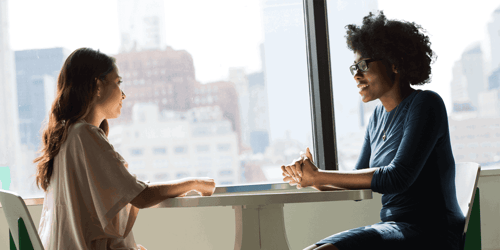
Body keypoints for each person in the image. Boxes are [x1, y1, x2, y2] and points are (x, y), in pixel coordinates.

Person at [281, 11, 464, 250]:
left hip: (433, 232)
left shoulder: (426, 104)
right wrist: (311, 179)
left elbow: (397, 178)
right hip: (394, 227)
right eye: (354, 67)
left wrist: (320, 176)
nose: (356, 75)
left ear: (395, 64)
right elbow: (359, 183)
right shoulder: (376, 118)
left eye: (364, 65)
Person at [34, 47, 216, 250]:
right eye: (118, 83)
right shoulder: (84, 135)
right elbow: (141, 196)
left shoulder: (67, 136)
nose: (124, 94)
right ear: (98, 86)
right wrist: (194, 182)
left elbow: (90, 220)